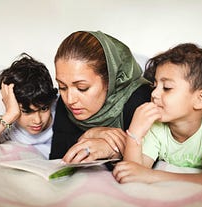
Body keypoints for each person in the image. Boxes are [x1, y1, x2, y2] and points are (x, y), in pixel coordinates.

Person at [113, 43, 202, 186]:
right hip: (199, 110)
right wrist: (134, 133)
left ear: (201, 98)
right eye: (154, 85)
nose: (153, 94)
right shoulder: (157, 126)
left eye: (167, 87)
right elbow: (133, 171)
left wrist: (152, 176)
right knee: (199, 108)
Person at [49, 31, 153, 163]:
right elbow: (57, 157)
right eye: (62, 87)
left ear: (111, 80)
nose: (70, 100)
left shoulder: (140, 99)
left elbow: (152, 157)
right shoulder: (66, 102)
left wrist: (112, 149)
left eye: (82, 88)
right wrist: (89, 134)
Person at [0, 53, 58, 159]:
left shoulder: (60, 107)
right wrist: (10, 114)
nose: (37, 120)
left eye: (44, 109)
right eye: (26, 111)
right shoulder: (10, 127)